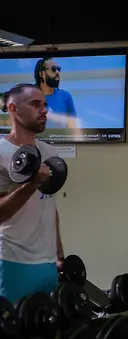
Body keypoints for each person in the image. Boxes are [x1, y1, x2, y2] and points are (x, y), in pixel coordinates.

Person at [0, 83, 64, 303]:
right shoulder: (1, 153)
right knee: (15, 324)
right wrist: (33, 183)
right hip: (13, 261)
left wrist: (59, 252)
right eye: (35, 104)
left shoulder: (50, 151)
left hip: (48, 262)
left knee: (47, 323)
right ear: (13, 109)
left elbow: (50, 205)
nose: (44, 110)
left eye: (45, 105)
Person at [34, 57, 77, 129]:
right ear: (41, 73)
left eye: (58, 69)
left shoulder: (65, 97)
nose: (57, 72)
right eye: (53, 69)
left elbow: (72, 129)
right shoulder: (29, 96)